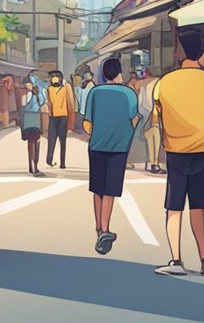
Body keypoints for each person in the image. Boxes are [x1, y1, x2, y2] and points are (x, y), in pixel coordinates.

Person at [153, 28, 204, 277]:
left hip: (175, 150)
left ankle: (175, 260)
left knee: (174, 206)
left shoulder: (166, 81)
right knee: (197, 206)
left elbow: (159, 112)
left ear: (182, 50)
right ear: (200, 52)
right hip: (201, 149)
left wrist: (164, 142)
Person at [84, 58, 140, 255]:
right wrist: (124, 133)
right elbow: (135, 118)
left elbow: (87, 122)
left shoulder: (95, 92)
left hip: (97, 146)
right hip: (119, 147)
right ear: (119, 74)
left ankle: (99, 228)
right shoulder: (128, 93)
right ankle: (105, 230)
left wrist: (98, 133)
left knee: (97, 188)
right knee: (110, 189)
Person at [43, 70, 74, 168]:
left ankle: (62, 163)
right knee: (51, 139)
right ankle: (49, 160)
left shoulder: (65, 88)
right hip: (52, 117)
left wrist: (70, 124)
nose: (54, 79)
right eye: (52, 77)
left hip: (63, 118)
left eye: (56, 77)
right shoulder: (49, 89)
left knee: (62, 141)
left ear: (60, 78)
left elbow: (71, 105)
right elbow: (48, 102)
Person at [139, 68, 163, 174]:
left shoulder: (145, 86)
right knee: (157, 139)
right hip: (157, 116)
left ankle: (152, 162)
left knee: (150, 139)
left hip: (147, 117)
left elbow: (141, 103)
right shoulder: (161, 83)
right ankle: (155, 163)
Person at [20, 82, 43, 177]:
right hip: (34, 119)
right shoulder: (35, 96)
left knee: (32, 143)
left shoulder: (27, 96)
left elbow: (23, 106)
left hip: (29, 119)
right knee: (35, 143)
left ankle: (32, 166)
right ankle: (34, 165)